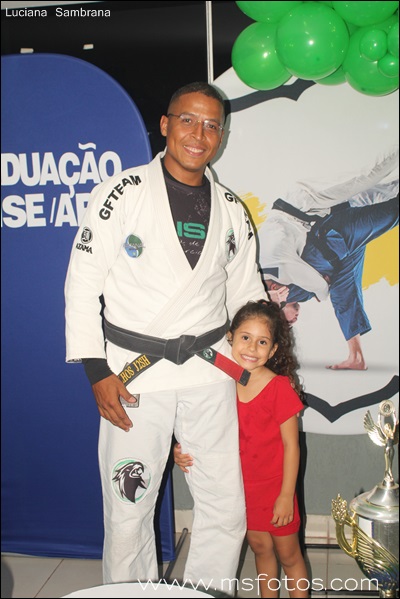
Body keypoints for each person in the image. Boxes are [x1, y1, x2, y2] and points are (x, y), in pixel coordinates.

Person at [64, 82, 268, 591]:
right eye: (188, 120)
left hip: (210, 370)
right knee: (129, 508)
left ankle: (207, 592)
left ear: (222, 136)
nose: (199, 134)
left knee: (225, 504)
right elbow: (83, 282)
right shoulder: (122, 193)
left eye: (212, 125)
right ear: (165, 124)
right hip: (133, 373)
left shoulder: (232, 209)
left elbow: (248, 296)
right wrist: (96, 369)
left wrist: (259, 369)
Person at [174, 300, 309, 598]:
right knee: (261, 549)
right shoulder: (219, 382)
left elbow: (292, 446)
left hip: (277, 489)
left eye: (262, 342)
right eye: (245, 337)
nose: (251, 348)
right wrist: (178, 450)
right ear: (230, 337)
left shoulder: (278, 387)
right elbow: (197, 425)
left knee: (289, 555)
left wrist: (286, 496)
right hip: (239, 489)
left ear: (273, 350)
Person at [259, 167, 399, 370]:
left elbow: (319, 288)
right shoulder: (294, 291)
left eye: (287, 322)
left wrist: (319, 287)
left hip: (336, 235)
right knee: (344, 296)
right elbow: (335, 295)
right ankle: (356, 357)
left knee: (391, 208)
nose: (294, 321)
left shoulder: (281, 286)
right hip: (340, 255)